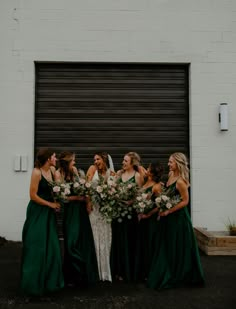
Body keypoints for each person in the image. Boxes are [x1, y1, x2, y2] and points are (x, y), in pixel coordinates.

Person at [147, 152, 205, 289]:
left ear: (178, 163)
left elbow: (185, 201)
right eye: (169, 161)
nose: (168, 164)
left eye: (171, 162)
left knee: (176, 245)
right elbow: (169, 194)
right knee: (168, 245)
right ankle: (168, 268)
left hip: (178, 219)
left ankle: (179, 272)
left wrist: (168, 211)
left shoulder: (180, 181)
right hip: (168, 218)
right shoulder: (171, 175)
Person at [20, 148, 64, 296]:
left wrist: (57, 200)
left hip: (48, 214)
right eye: (53, 156)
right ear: (47, 158)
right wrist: (51, 204)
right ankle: (31, 286)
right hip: (37, 212)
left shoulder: (52, 171)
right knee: (36, 247)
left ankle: (49, 284)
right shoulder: (36, 172)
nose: (55, 159)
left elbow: (55, 190)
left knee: (51, 247)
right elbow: (33, 196)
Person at [54, 151, 99, 287]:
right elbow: (61, 197)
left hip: (80, 211)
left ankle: (83, 275)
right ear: (66, 162)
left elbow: (85, 188)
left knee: (82, 239)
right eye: (73, 160)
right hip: (70, 211)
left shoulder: (75, 171)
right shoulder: (58, 174)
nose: (75, 163)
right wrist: (76, 198)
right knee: (71, 241)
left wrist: (87, 201)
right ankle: (72, 274)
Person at [110, 152, 142, 282]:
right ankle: (118, 271)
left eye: (126, 161)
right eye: (123, 160)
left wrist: (131, 202)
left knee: (129, 240)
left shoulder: (137, 176)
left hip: (130, 214)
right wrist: (115, 195)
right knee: (118, 241)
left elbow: (139, 195)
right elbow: (113, 190)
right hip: (118, 212)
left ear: (132, 163)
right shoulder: (119, 174)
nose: (123, 162)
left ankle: (128, 271)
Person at [86, 152, 115, 282]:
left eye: (98, 159)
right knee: (93, 235)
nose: (95, 161)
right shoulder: (92, 169)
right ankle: (94, 270)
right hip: (94, 209)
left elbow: (114, 191)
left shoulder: (111, 173)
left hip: (105, 210)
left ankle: (105, 271)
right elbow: (87, 187)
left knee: (105, 236)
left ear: (104, 160)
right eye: (94, 159)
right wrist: (88, 202)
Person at [134, 161, 164, 281]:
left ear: (151, 172)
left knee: (149, 245)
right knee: (142, 245)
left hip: (150, 221)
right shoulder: (146, 183)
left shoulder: (157, 186)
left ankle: (150, 272)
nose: (146, 169)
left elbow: (160, 205)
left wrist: (148, 214)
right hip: (142, 220)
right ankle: (142, 272)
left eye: (148, 168)